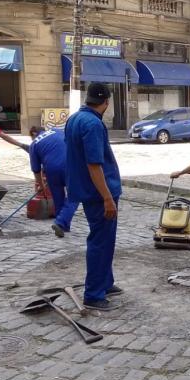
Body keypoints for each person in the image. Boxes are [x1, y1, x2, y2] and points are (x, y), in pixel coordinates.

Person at [64, 83, 123, 311]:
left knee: (105, 239)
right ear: (106, 102)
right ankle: (94, 294)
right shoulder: (93, 124)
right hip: (99, 193)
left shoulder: (75, 119)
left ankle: (105, 283)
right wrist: (107, 197)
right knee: (100, 241)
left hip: (86, 190)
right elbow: (94, 165)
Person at [29, 125, 78, 238]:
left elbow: (36, 170)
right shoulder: (56, 131)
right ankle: (61, 223)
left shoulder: (34, 144)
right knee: (74, 195)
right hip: (70, 164)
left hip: (51, 170)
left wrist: (40, 185)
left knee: (58, 198)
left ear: (33, 134)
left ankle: (63, 225)